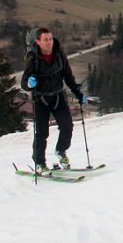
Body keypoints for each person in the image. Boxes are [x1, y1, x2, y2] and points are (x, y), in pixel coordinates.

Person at [21, 28, 86, 172]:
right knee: (42, 133)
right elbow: (24, 82)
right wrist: (29, 84)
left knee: (67, 126)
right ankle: (39, 163)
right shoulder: (33, 58)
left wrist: (77, 92)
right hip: (41, 99)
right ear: (38, 42)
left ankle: (61, 151)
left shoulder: (59, 54)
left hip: (58, 96)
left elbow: (68, 75)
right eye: (45, 39)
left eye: (50, 39)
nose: (49, 42)